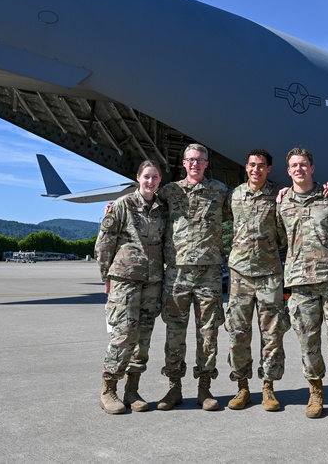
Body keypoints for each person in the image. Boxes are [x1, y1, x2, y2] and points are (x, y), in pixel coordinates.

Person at [276, 147, 328, 424]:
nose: (299, 169)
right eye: (294, 166)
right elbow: (278, 237)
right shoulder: (282, 203)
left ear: (312, 168)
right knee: (308, 343)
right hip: (300, 283)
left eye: (303, 164)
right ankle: (315, 392)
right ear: (288, 171)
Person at [156, 143, 229, 411]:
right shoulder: (169, 191)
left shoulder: (220, 192)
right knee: (175, 333)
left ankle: (205, 389)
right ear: (183, 164)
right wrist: (114, 206)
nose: (195, 164)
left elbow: (246, 208)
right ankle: (174, 388)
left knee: (208, 333)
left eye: (200, 160)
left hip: (209, 273)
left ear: (207, 163)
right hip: (177, 273)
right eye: (190, 160)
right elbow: (144, 206)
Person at [94, 160, 168, 414]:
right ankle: (109, 389)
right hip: (125, 279)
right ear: (138, 177)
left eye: (155, 177)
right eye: (146, 176)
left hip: (152, 280)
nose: (150, 181)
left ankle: (132, 389)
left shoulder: (162, 208)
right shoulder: (123, 205)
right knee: (123, 335)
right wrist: (107, 277)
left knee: (143, 339)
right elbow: (105, 242)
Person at [222, 149, 288, 411]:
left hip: (269, 273)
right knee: (238, 333)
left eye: (261, 166)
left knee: (272, 334)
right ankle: (242, 387)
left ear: (269, 169)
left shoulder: (279, 195)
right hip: (239, 274)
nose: (256, 170)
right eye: (252, 165)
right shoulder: (234, 195)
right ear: (246, 167)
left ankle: (269, 387)